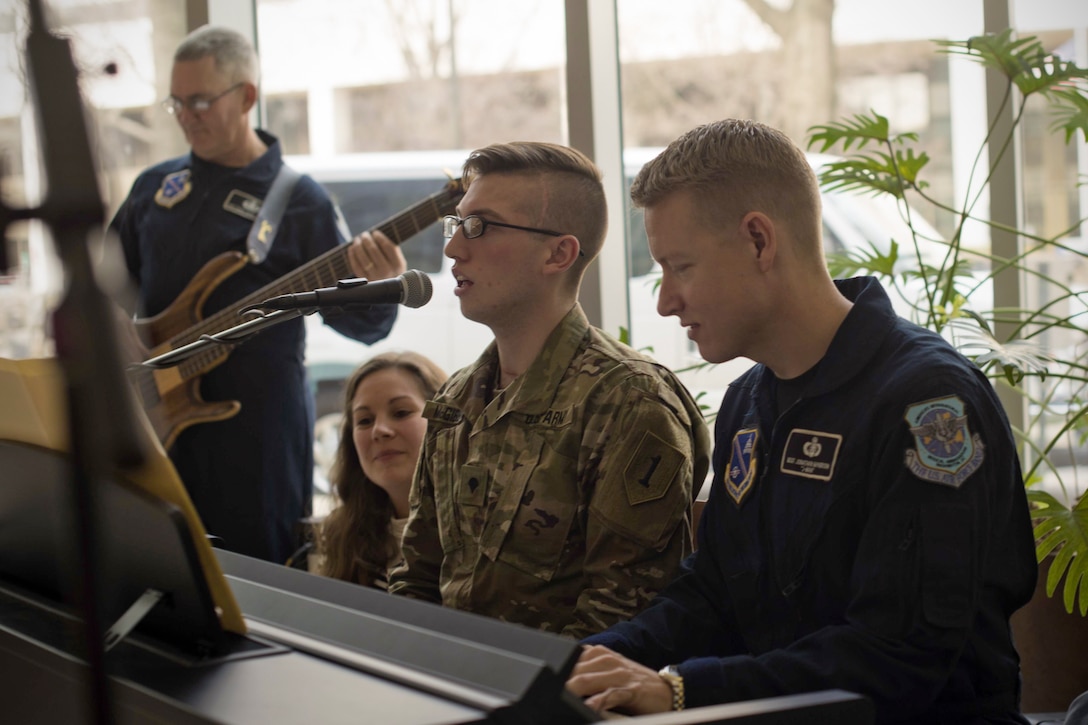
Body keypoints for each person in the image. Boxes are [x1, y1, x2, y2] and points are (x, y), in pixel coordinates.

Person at [565, 119, 1038, 723]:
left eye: (679, 266)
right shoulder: (749, 402)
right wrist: (587, 661)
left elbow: (900, 655)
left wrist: (683, 690)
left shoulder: (928, 405)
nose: (665, 300)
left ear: (760, 241)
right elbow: (713, 596)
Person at [387, 141, 711, 640]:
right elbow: (418, 579)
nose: (453, 249)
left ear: (558, 253)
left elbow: (619, 621)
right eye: (458, 224)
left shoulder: (629, 402)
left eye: (480, 226)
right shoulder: (456, 401)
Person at [109, 25, 407, 564]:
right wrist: (118, 342)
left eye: (200, 101)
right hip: (155, 428)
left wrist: (380, 283)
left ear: (247, 96)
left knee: (260, 585)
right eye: (177, 102)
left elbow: (364, 327)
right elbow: (102, 286)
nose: (186, 116)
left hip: (258, 447)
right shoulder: (153, 188)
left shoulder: (300, 203)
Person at [317, 351, 447, 589]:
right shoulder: (341, 534)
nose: (380, 430)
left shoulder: (478, 530)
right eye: (365, 420)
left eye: (401, 413)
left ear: (445, 418)